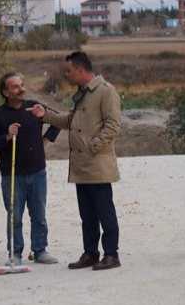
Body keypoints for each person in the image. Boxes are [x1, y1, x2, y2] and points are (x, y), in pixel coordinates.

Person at [29, 51, 122, 271]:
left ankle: (111, 254)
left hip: (97, 165)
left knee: (104, 212)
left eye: (69, 71)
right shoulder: (83, 94)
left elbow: (113, 125)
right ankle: (90, 253)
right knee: (87, 214)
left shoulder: (106, 92)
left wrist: (93, 147)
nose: (66, 75)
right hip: (81, 167)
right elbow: (70, 120)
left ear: (81, 70)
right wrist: (45, 115)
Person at [0, 72, 59, 266]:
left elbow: (57, 121)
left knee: (39, 214)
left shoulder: (33, 107)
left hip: (37, 171)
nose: (21, 89)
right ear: (6, 92)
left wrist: (45, 141)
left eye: (22, 85)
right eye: (16, 86)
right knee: (14, 216)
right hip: (12, 174)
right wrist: (7, 136)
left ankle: (40, 250)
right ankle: (15, 253)